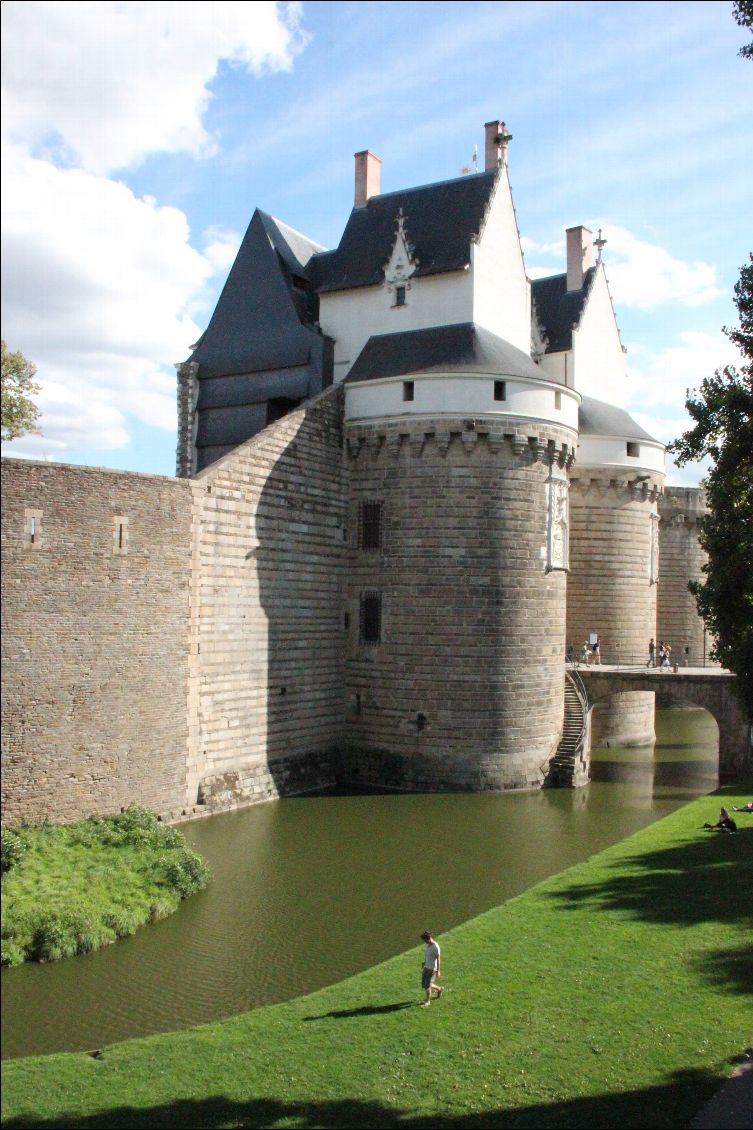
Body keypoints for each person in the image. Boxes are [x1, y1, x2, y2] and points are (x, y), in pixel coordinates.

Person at [419, 930, 443, 1007]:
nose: (424, 942)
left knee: (427, 986)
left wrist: (438, 970)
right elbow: (427, 955)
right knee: (424, 984)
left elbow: (438, 959)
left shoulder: (436, 947)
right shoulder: (428, 945)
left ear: (428, 938)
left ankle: (428, 1001)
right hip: (426, 967)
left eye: (424, 940)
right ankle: (439, 989)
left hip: (432, 969)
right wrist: (424, 962)